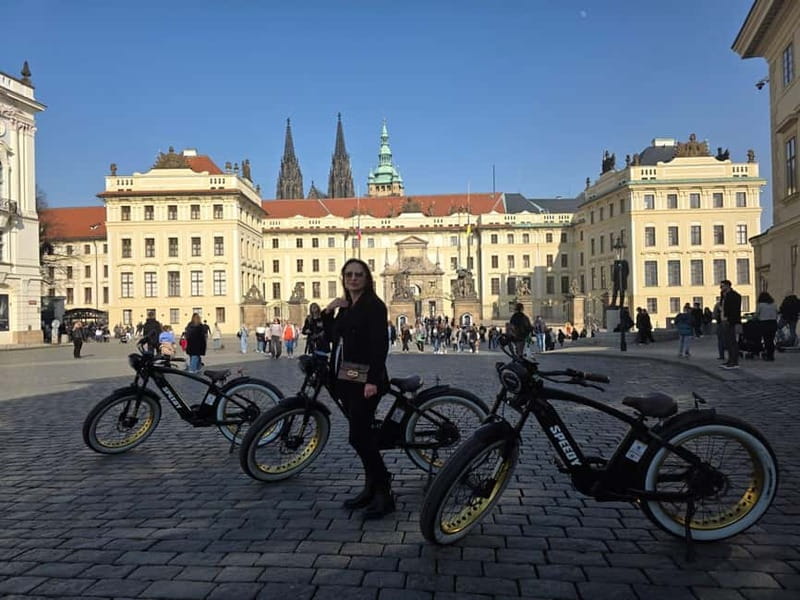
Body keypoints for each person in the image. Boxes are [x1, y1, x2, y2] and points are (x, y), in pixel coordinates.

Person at [322, 258, 393, 519]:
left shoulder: (374, 306)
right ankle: (370, 488)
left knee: (359, 437)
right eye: (349, 274)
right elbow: (332, 338)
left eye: (358, 275)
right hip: (349, 377)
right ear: (343, 278)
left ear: (367, 278)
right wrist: (329, 310)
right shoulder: (348, 306)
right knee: (361, 435)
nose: (353, 278)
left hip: (366, 378)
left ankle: (384, 491)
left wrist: (373, 380)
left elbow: (379, 345)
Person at [719, 279, 742, 370]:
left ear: (728, 286)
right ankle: (730, 360)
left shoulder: (734, 295)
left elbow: (734, 309)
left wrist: (729, 319)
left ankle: (734, 361)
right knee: (728, 342)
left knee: (732, 341)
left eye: (722, 286)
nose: (721, 288)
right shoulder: (723, 295)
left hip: (730, 321)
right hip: (724, 320)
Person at [754, 291, 777, 361]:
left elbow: (756, 315)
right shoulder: (774, 304)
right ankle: (771, 355)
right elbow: (777, 312)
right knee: (771, 340)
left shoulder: (760, 305)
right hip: (773, 323)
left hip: (764, 323)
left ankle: (768, 355)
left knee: (766, 340)